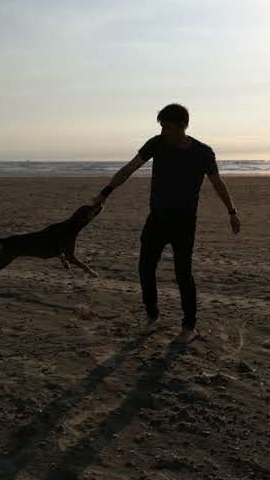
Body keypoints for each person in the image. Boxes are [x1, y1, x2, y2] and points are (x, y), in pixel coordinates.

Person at [92, 103, 240, 344]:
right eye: (161, 127)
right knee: (145, 267)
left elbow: (218, 183)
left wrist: (232, 212)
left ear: (183, 125)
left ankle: (189, 325)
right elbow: (129, 168)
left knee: (183, 273)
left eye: (167, 127)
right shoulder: (156, 144)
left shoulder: (203, 152)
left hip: (184, 221)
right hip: (157, 219)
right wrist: (105, 192)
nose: (163, 132)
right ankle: (152, 316)